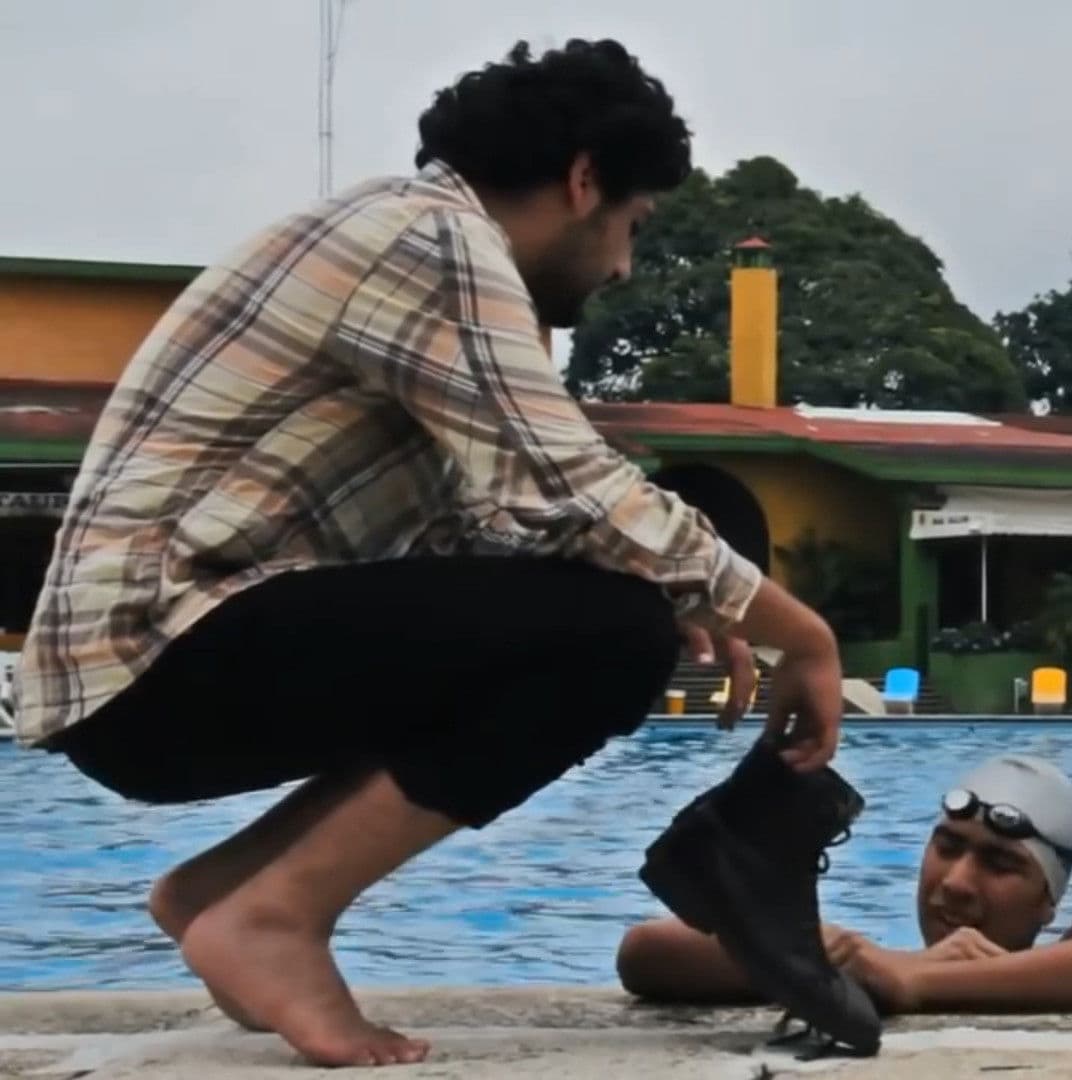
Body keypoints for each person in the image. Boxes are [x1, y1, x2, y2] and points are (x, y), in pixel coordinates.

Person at [15, 40, 844, 1068]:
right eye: (633, 227)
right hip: (156, 652)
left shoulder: (404, 247)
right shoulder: (439, 245)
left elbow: (501, 534)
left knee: (616, 593)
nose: (626, 265)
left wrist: (678, 576)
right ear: (584, 180)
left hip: (148, 665)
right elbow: (575, 485)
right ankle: (275, 918)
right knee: (612, 639)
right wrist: (799, 633)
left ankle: (228, 893)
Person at [617, 754, 1072, 1014]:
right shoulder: (862, 963)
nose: (955, 882)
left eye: (1001, 865)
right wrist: (881, 966)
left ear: (1048, 900)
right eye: (947, 847)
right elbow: (648, 952)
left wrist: (921, 982)